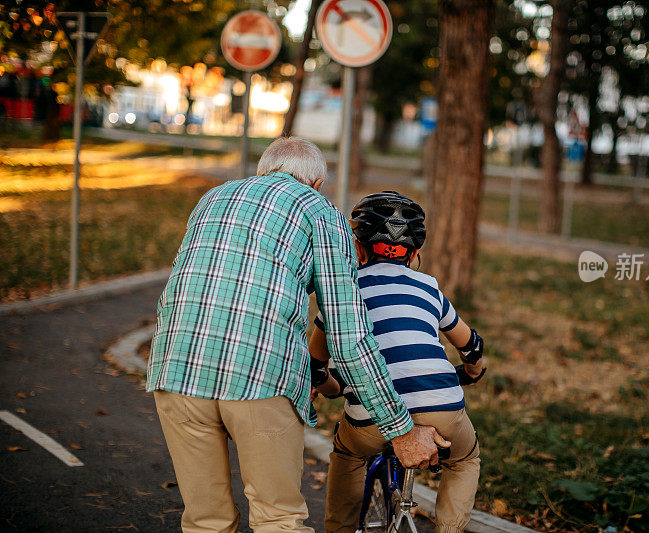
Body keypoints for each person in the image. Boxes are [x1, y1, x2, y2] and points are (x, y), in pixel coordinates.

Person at [146, 138, 447, 533]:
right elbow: (348, 334)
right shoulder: (320, 212)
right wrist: (400, 429)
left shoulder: (213, 198)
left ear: (263, 171)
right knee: (278, 520)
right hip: (258, 375)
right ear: (318, 182)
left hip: (176, 368)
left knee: (206, 520)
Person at [309, 191, 487, 533]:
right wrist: (472, 370)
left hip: (370, 418)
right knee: (465, 461)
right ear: (416, 253)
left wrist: (329, 385)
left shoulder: (343, 292)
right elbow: (470, 344)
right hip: (441, 404)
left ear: (358, 248)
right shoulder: (429, 288)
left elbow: (317, 366)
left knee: (348, 455)